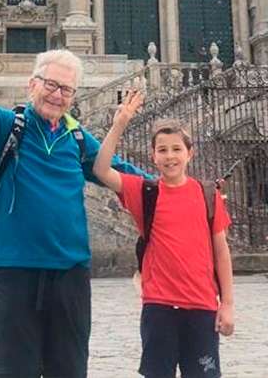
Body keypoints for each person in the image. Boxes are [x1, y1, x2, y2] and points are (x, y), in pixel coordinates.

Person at [0, 0, 147, 377]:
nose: (58, 94)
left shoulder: (76, 138)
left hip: (70, 275)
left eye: (67, 90)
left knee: (70, 370)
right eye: (51, 85)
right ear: (32, 85)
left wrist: (174, 188)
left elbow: (120, 171)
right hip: (15, 272)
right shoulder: (5, 128)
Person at [92, 96, 235, 378]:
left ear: (189, 153)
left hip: (202, 306)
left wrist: (227, 304)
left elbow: (221, 252)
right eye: (162, 150)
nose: (170, 156)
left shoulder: (208, 195)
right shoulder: (145, 192)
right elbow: (101, 170)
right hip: (159, 307)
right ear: (153, 155)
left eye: (176, 149)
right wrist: (119, 125)